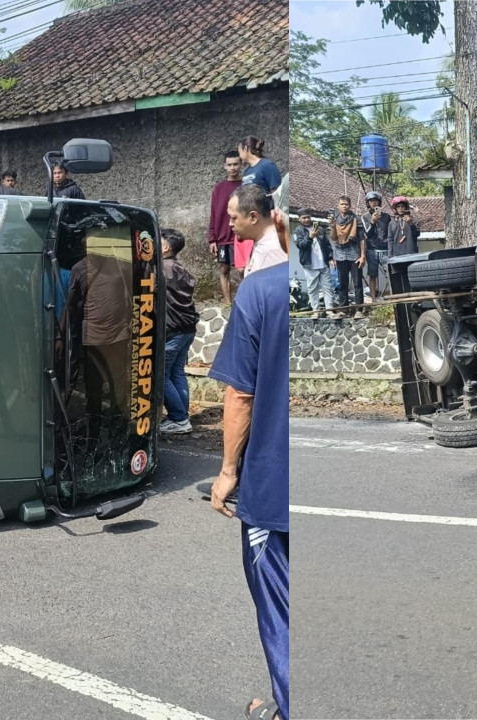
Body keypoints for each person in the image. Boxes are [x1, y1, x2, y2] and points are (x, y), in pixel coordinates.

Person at [208, 215, 289, 720]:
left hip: (274, 484)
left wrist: (228, 471)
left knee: (280, 605)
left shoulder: (258, 291)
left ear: (276, 220)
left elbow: (239, 393)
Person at [160, 228, 200, 434]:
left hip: (173, 331)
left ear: (165, 247)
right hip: (187, 329)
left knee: (161, 376)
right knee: (177, 372)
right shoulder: (181, 268)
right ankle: (181, 416)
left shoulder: (162, 269)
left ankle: (179, 418)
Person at [209, 150, 244, 305]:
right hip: (222, 237)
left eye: (235, 164)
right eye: (229, 164)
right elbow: (214, 214)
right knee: (224, 270)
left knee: (243, 271)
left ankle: (243, 302)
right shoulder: (219, 188)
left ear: (241, 164)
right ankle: (228, 304)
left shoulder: (246, 185)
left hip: (242, 236)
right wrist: (212, 239)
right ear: (224, 166)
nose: (232, 167)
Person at [228, 184, 288, 276]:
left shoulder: (272, 251)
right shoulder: (262, 242)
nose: (230, 223)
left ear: (253, 217)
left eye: (233, 218)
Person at [293, 211, 333, 317]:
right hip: (309, 264)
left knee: (327, 287)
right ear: (299, 219)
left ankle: (329, 310)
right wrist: (310, 237)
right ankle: (316, 311)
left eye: (308, 217)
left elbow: (327, 245)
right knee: (312, 288)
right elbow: (300, 245)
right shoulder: (298, 232)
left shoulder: (320, 229)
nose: (306, 219)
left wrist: (331, 258)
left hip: (323, 263)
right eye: (304, 218)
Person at [329, 195, 364, 314]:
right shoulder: (334, 218)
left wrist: (362, 256)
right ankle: (343, 309)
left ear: (350, 205)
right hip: (339, 253)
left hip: (354, 253)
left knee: (357, 283)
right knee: (342, 283)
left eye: (346, 204)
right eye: (342, 204)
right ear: (338, 205)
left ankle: (359, 309)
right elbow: (333, 237)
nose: (344, 206)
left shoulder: (356, 219)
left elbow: (362, 239)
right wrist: (332, 225)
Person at [360, 191, 391, 302]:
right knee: (372, 274)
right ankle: (373, 299)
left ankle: (393, 298)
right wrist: (372, 222)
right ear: (368, 203)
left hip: (385, 249)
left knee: (390, 274)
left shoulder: (387, 217)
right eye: (371, 201)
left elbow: (390, 233)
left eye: (376, 200)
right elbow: (367, 234)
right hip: (372, 249)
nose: (374, 203)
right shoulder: (365, 217)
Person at [385, 195, 420, 260]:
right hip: (397, 255)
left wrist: (411, 224)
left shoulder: (413, 219)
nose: (400, 208)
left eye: (402, 206)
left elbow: (417, 234)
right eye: (398, 207)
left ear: (406, 207)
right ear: (395, 208)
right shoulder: (391, 223)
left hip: (411, 254)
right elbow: (390, 240)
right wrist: (390, 256)